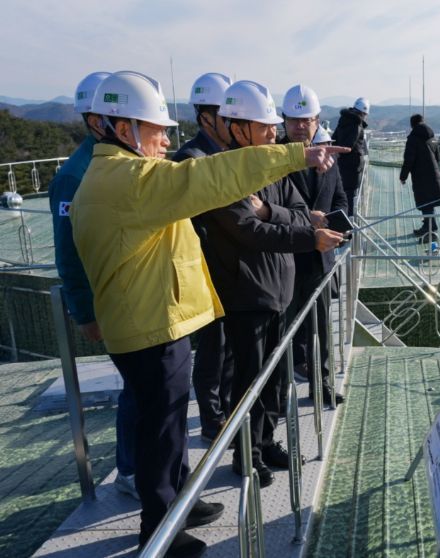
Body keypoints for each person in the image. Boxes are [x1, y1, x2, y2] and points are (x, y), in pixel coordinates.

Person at [70, 70, 347, 558]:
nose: (163, 139)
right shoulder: (132, 179)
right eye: (153, 129)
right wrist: (294, 155)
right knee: (161, 428)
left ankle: (176, 500)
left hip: (153, 318)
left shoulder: (116, 175)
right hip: (149, 325)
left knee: (169, 423)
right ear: (117, 128)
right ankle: (161, 531)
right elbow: (210, 180)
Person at [207, 80, 343, 486]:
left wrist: (269, 211)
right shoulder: (224, 174)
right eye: (266, 126)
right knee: (248, 382)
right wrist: (299, 231)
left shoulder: (270, 167)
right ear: (236, 128)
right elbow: (249, 231)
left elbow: (299, 212)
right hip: (246, 294)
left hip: (277, 291)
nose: (274, 133)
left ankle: (265, 443)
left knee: (274, 378)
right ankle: (245, 455)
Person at [49, 71, 140, 502]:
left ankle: (144, 467)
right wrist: (84, 312)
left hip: (134, 297)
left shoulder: (116, 161)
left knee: (145, 389)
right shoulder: (75, 175)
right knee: (138, 389)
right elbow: (67, 253)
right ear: (93, 120)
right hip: (111, 301)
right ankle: (131, 469)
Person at [172, 73, 235, 445]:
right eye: (227, 116)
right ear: (207, 117)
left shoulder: (224, 156)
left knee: (228, 353)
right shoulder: (191, 159)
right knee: (214, 351)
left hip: (228, 272)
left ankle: (223, 412)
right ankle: (212, 421)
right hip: (206, 274)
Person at [282, 84, 347, 406]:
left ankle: (320, 386)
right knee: (282, 335)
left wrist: (336, 226)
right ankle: (278, 396)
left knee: (321, 328)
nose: (299, 125)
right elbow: (266, 208)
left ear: (317, 120)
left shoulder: (328, 158)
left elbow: (340, 200)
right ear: (283, 121)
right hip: (285, 259)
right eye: (293, 120)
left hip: (321, 259)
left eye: (305, 119)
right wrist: (308, 218)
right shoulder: (272, 159)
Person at [399, 114, 440, 241]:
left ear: (412, 124)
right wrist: (435, 169)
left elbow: (409, 159)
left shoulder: (413, 138)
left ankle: (430, 231)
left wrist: (403, 176)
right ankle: (430, 225)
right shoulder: (433, 137)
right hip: (432, 172)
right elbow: (437, 156)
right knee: (429, 201)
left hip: (420, 174)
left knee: (425, 201)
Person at [332, 97, 369, 215]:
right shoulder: (356, 124)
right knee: (351, 196)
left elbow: (335, 138)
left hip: (341, 163)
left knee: (343, 194)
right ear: (363, 113)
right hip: (352, 166)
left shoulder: (343, 120)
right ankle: (350, 225)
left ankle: (343, 220)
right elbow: (349, 145)